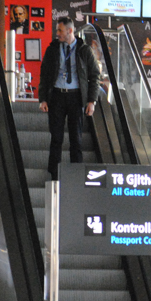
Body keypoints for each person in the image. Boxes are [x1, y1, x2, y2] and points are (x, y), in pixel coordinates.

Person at [37, 17, 101, 180]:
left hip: (76, 97)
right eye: (57, 30)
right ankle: (54, 174)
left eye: (60, 30)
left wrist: (91, 101)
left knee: (76, 139)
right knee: (56, 137)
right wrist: (43, 98)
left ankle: (76, 174)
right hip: (56, 96)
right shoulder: (52, 49)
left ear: (70, 31)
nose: (57, 33)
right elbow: (44, 75)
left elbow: (94, 76)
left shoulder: (84, 50)